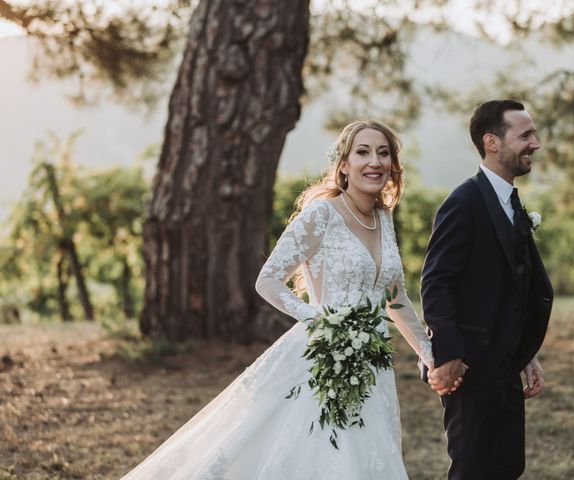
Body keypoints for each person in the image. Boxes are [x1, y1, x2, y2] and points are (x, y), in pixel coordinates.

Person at [122, 120, 451, 479]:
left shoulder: (383, 218)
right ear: (343, 164)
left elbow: (394, 296)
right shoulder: (321, 214)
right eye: (363, 152)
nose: (375, 161)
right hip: (320, 362)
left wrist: (430, 355)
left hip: (372, 369)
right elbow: (268, 281)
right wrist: (321, 322)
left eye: (383, 153)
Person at [421, 100, 554, 480]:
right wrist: (449, 355)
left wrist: (524, 350)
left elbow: (515, 286)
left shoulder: (511, 201)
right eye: (525, 135)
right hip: (472, 369)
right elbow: (435, 281)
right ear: (492, 142)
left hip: (506, 364)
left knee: (508, 466)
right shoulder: (464, 202)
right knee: (474, 469)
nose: (535, 143)